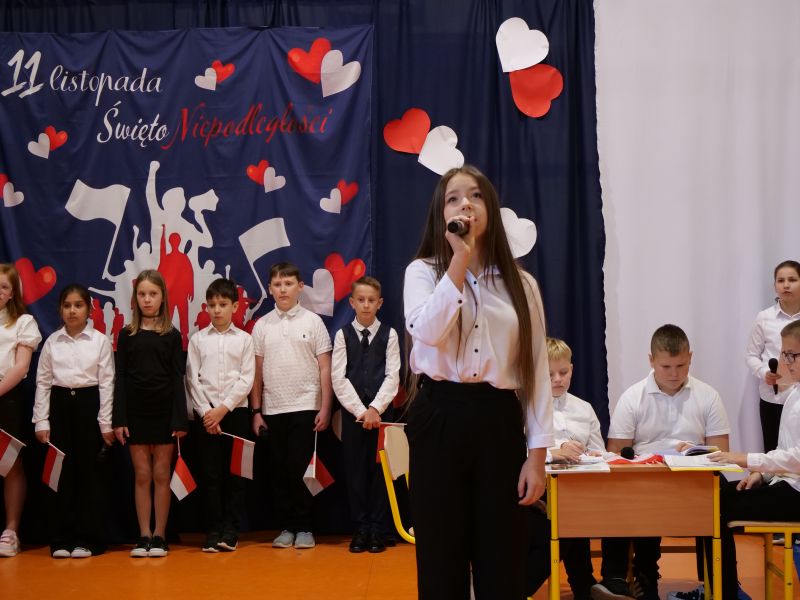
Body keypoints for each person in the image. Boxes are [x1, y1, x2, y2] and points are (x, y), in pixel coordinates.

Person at [403, 165, 553, 599]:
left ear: (491, 209)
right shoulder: (423, 272)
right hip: (438, 417)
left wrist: (537, 458)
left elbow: (536, 370)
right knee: (441, 560)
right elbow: (427, 332)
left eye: (475, 196)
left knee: (502, 559)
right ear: (441, 214)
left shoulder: (522, 284)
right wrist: (460, 260)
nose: (465, 204)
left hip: (498, 420)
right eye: (453, 198)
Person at [592, 324, 730, 600]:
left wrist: (697, 452)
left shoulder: (708, 395)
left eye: (681, 365)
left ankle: (723, 584)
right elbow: (616, 453)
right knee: (626, 494)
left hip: (694, 479)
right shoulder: (633, 397)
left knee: (724, 498)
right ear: (651, 360)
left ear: (690, 357)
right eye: (666, 367)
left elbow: (722, 452)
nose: (674, 374)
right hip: (647, 478)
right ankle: (630, 578)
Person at [249, 262, 332, 550]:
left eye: (288, 283)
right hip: (273, 409)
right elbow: (256, 372)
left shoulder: (313, 322)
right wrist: (256, 411)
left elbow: (325, 368)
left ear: (300, 287)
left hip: (306, 406)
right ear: (270, 289)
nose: (283, 289)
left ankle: (305, 527)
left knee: (301, 469)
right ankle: (286, 527)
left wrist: (325, 407)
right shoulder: (262, 325)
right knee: (279, 471)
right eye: (277, 284)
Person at [33, 284, 115, 558]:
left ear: (88, 309)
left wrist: (105, 423)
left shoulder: (99, 341)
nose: (72, 311)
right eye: (67, 306)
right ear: (60, 310)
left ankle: (89, 538)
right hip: (60, 408)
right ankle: (62, 538)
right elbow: (43, 382)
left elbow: (107, 383)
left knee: (89, 475)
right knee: (61, 474)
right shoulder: (52, 342)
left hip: (89, 406)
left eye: (78, 305)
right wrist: (41, 421)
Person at [112, 269, 188, 558]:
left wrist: (179, 418)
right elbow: (120, 377)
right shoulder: (126, 335)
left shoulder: (172, 335)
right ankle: (143, 534)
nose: (147, 299)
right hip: (136, 413)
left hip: (164, 413)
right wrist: (120, 418)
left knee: (160, 474)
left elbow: (178, 378)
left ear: (162, 298)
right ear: (135, 298)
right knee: (142, 474)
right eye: (142, 294)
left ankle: (160, 535)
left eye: (153, 294)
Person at [527, 337, 604, 599]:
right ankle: (584, 586)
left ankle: (591, 584)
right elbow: (516, 454)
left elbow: (600, 452)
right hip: (539, 494)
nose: (558, 379)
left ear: (572, 369)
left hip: (581, 490)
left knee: (575, 515)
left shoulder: (584, 409)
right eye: (549, 375)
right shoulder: (525, 406)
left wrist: (592, 455)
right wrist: (552, 453)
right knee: (568, 523)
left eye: (563, 372)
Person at [331, 276, 400, 554]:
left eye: (371, 300)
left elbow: (393, 376)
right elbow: (338, 378)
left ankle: (378, 529)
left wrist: (375, 408)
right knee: (356, 472)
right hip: (354, 417)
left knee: (381, 472)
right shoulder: (343, 335)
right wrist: (361, 411)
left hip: (382, 416)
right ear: (352, 302)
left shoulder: (390, 335)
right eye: (361, 300)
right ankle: (360, 528)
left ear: (380, 303)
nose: (366, 305)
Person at [186, 277, 255, 553]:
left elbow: (246, 379)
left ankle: (231, 530)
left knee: (236, 474)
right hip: (206, 417)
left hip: (235, 413)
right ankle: (213, 529)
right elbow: (192, 379)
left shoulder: (245, 340)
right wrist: (207, 413)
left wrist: (223, 409)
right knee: (210, 475)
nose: (217, 310)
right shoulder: (198, 339)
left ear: (235, 306)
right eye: (212, 305)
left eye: (223, 304)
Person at [0, 263, 42, 557]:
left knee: (10, 465)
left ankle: (11, 531)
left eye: (4, 286)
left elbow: (21, 366)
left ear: (13, 292)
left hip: (7, 397)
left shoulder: (23, 322)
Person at [745, 260, 800, 453]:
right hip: (773, 398)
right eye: (780, 280)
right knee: (772, 453)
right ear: (775, 285)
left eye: (792, 280)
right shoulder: (764, 317)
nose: (786, 285)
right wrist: (764, 373)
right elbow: (751, 355)